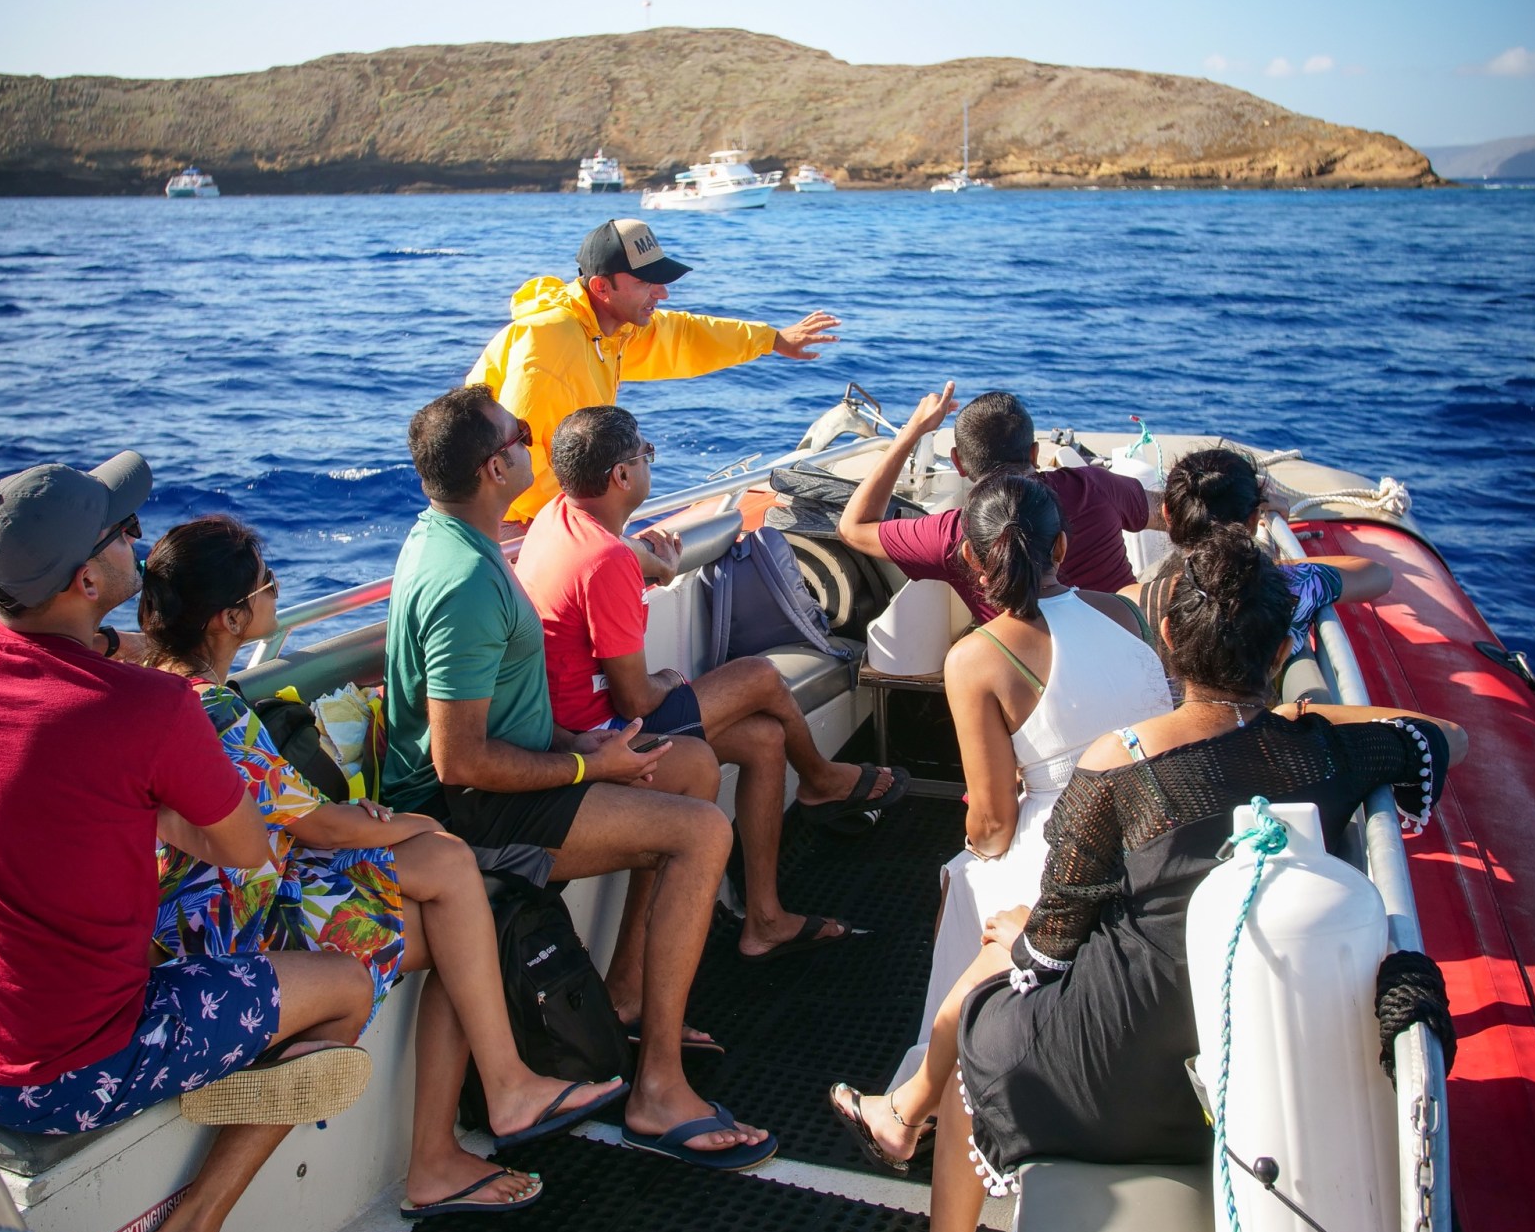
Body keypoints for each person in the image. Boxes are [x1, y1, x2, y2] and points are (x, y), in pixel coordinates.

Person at [834, 524, 1467, 1232]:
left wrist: (1018, 929)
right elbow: (1450, 737)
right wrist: (1315, 716)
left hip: (1129, 1077)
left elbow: (1052, 946)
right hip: (1257, 1054)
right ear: (1281, 651)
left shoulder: (1117, 767)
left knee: (989, 1019)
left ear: (1166, 638)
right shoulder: (1328, 757)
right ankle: (907, 1124)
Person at [0, 451, 377, 1232]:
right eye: (122, 533)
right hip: (67, 1071)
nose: (137, 541)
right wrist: (157, 807)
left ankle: (230, 1075)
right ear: (89, 578)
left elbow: (51, 661)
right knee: (346, 985)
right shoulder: (148, 713)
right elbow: (244, 851)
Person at [138, 515, 626, 1218]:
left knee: (456, 889)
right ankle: (485, 1109)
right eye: (267, 584)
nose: (277, 592)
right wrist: (417, 820)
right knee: (461, 898)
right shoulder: (211, 711)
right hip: (228, 929)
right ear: (229, 618)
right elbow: (320, 824)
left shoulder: (157, 681)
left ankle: (473, 1121)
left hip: (216, 898)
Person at [381, 384, 776, 1171]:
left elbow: (499, 716)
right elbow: (460, 760)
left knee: (684, 774)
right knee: (701, 834)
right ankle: (658, 1089)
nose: (533, 442)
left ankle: (629, 997)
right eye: (521, 434)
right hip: (474, 813)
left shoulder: (456, 540)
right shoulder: (465, 581)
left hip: (505, 784)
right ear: (498, 467)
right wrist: (583, 763)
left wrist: (590, 747)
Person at [516, 405, 908, 963]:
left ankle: (765, 920)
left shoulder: (560, 518)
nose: (649, 461)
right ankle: (821, 780)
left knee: (765, 740)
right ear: (622, 478)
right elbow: (637, 698)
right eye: (644, 455)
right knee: (758, 676)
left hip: (576, 719)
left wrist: (646, 559)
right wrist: (670, 678)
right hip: (605, 733)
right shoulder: (606, 562)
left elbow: (604, 557)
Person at [840, 473, 1170, 1124]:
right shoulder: (1126, 613)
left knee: (959, 879)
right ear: (1064, 549)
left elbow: (992, 824)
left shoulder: (977, 659)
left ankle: (928, 1102)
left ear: (968, 559)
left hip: (1073, 846)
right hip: (1156, 825)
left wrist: (977, 849)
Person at [465, 217, 841, 529]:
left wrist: (771, 339)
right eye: (645, 282)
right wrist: (589, 529)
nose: (662, 293)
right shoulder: (553, 341)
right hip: (511, 519)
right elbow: (522, 460)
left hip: (549, 511)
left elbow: (683, 335)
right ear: (601, 286)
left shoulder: (608, 329)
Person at [837, 384, 1163, 620]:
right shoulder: (1095, 486)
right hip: (1126, 648)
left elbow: (854, 527)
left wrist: (912, 432)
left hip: (1023, 679)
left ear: (958, 463)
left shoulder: (950, 533)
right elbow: (1170, 514)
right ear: (1034, 453)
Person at [1128, 444, 1393, 655]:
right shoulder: (1293, 586)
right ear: (1254, 519)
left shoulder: (1138, 597)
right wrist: (1283, 568)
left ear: (1166, 515)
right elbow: (1380, 576)